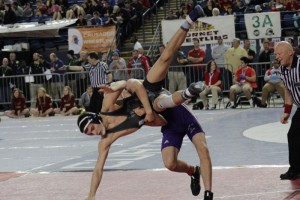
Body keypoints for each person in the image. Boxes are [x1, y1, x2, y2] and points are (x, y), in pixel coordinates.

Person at [78, 5, 213, 200]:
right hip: (156, 116)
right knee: (168, 159)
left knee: (166, 56)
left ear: (94, 119)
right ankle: (193, 169)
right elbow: (98, 170)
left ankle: (190, 19)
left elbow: (131, 83)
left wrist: (115, 88)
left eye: (91, 128)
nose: (93, 133)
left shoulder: (106, 109)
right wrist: (91, 196)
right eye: (89, 134)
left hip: (147, 91)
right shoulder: (105, 141)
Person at [274, 41, 300, 180]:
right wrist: (287, 111)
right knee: (293, 135)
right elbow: (288, 90)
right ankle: (295, 169)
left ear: (290, 52)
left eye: (279, 53)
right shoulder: (282, 70)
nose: (277, 57)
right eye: (275, 54)